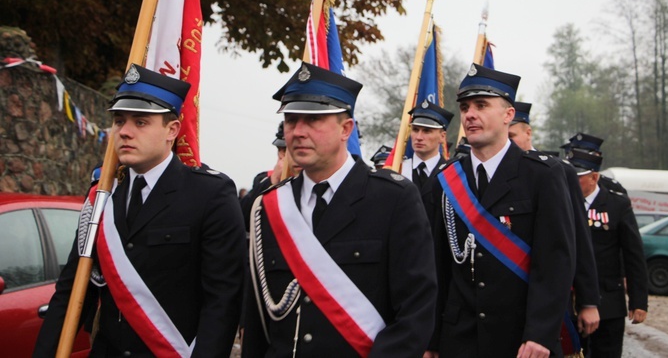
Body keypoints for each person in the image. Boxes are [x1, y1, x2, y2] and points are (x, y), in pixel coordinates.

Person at [34, 64, 246, 357]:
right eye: (119, 121)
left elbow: (222, 300)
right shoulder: (103, 194)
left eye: (141, 122)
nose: (125, 132)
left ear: (171, 130)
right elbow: (72, 289)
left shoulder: (210, 194)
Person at [242, 62, 437, 357]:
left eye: (313, 120)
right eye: (291, 120)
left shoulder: (393, 199)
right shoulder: (269, 206)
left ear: (346, 128)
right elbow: (258, 322)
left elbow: (415, 312)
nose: (297, 132)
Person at [428, 63, 576, 358]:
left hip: (521, 339)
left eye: (482, 105)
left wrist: (540, 334)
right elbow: (437, 267)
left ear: (509, 115)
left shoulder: (542, 175)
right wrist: (431, 340)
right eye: (466, 106)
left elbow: (555, 263)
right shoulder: (446, 179)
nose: (470, 114)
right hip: (459, 339)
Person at [508, 102, 601, 348]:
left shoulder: (558, 171)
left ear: (528, 133)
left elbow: (578, 238)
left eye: (512, 136)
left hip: (548, 293)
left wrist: (588, 301)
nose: (507, 143)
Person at [566, 148, 648, 357]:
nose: (573, 182)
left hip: (608, 300)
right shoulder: (563, 202)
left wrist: (638, 301)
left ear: (594, 177)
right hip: (569, 300)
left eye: (579, 178)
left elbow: (633, 255)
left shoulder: (616, 204)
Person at [400, 100, 454, 221]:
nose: (419, 137)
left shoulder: (452, 173)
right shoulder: (398, 170)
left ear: (442, 136)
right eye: (415, 130)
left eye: (427, 131)